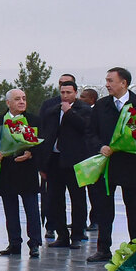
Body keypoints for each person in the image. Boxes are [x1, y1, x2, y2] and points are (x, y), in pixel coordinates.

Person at [85, 67, 136, 263]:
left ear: (123, 83)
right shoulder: (101, 105)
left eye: (110, 80)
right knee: (104, 208)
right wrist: (100, 146)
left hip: (132, 165)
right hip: (107, 165)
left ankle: (135, 246)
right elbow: (90, 133)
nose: (107, 84)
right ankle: (103, 248)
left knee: (132, 207)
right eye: (106, 80)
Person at [0, 88, 42, 257]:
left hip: (27, 169)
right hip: (6, 170)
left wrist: (31, 153)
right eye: (17, 99)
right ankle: (14, 243)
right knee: (10, 210)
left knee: (32, 209)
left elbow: (42, 142)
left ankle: (34, 243)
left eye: (24, 98)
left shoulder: (33, 120)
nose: (22, 102)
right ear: (8, 103)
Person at [39, 80, 92, 247]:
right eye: (62, 92)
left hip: (74, 161)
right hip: (54, 160)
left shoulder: (84, 110)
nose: (65, 95)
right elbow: (45, 135)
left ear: (75, 93)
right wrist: (43, 164)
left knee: (78, 199)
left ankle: (77, 235)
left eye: (69, 92)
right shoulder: (52, 111)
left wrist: (69, 112)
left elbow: (85, 128)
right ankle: (62, 235)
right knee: (55, 199)